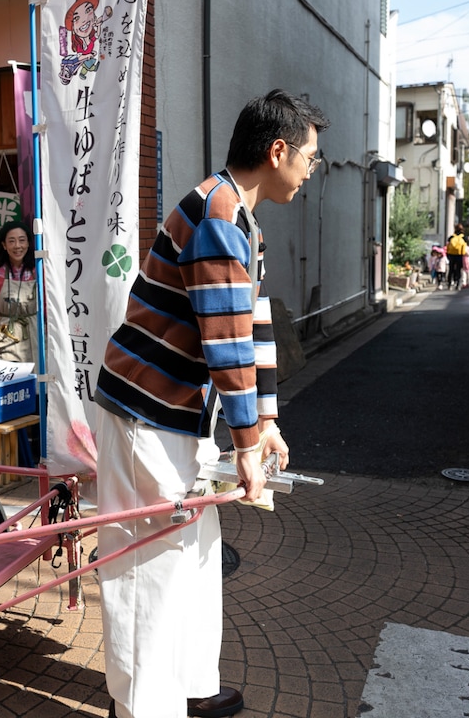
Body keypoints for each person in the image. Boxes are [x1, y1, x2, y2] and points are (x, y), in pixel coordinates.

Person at [94, 89, 328, 718]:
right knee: (150, 566)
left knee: (192, 552)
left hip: (171, 410)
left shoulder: (236, 215)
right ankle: (145, 707)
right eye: (309, 157)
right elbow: (226, 343)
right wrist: (248, 445)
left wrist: (267, 422)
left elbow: (254, 324)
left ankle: (190, 686)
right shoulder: (221, 216)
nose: (310, 169)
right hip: (146, 412)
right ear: (277, 151)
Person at [0, 220, 36, 364]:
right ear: (4, 245)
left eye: (22, 240)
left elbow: (48, 306)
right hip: (5, 337)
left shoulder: (39, 270)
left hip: (35, 334)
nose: (17, 246)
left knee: (36, 381)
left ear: (28, 243)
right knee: (8, 382)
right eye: (11, 241)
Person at [446, 223, 469, 290]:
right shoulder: (464, 237)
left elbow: (447, 245)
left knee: (451, 269)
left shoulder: (451, 237)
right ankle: (458, 284)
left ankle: (449, 284)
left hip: (451, 255)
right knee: (459, 270)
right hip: (460, 255)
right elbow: (467, 245)